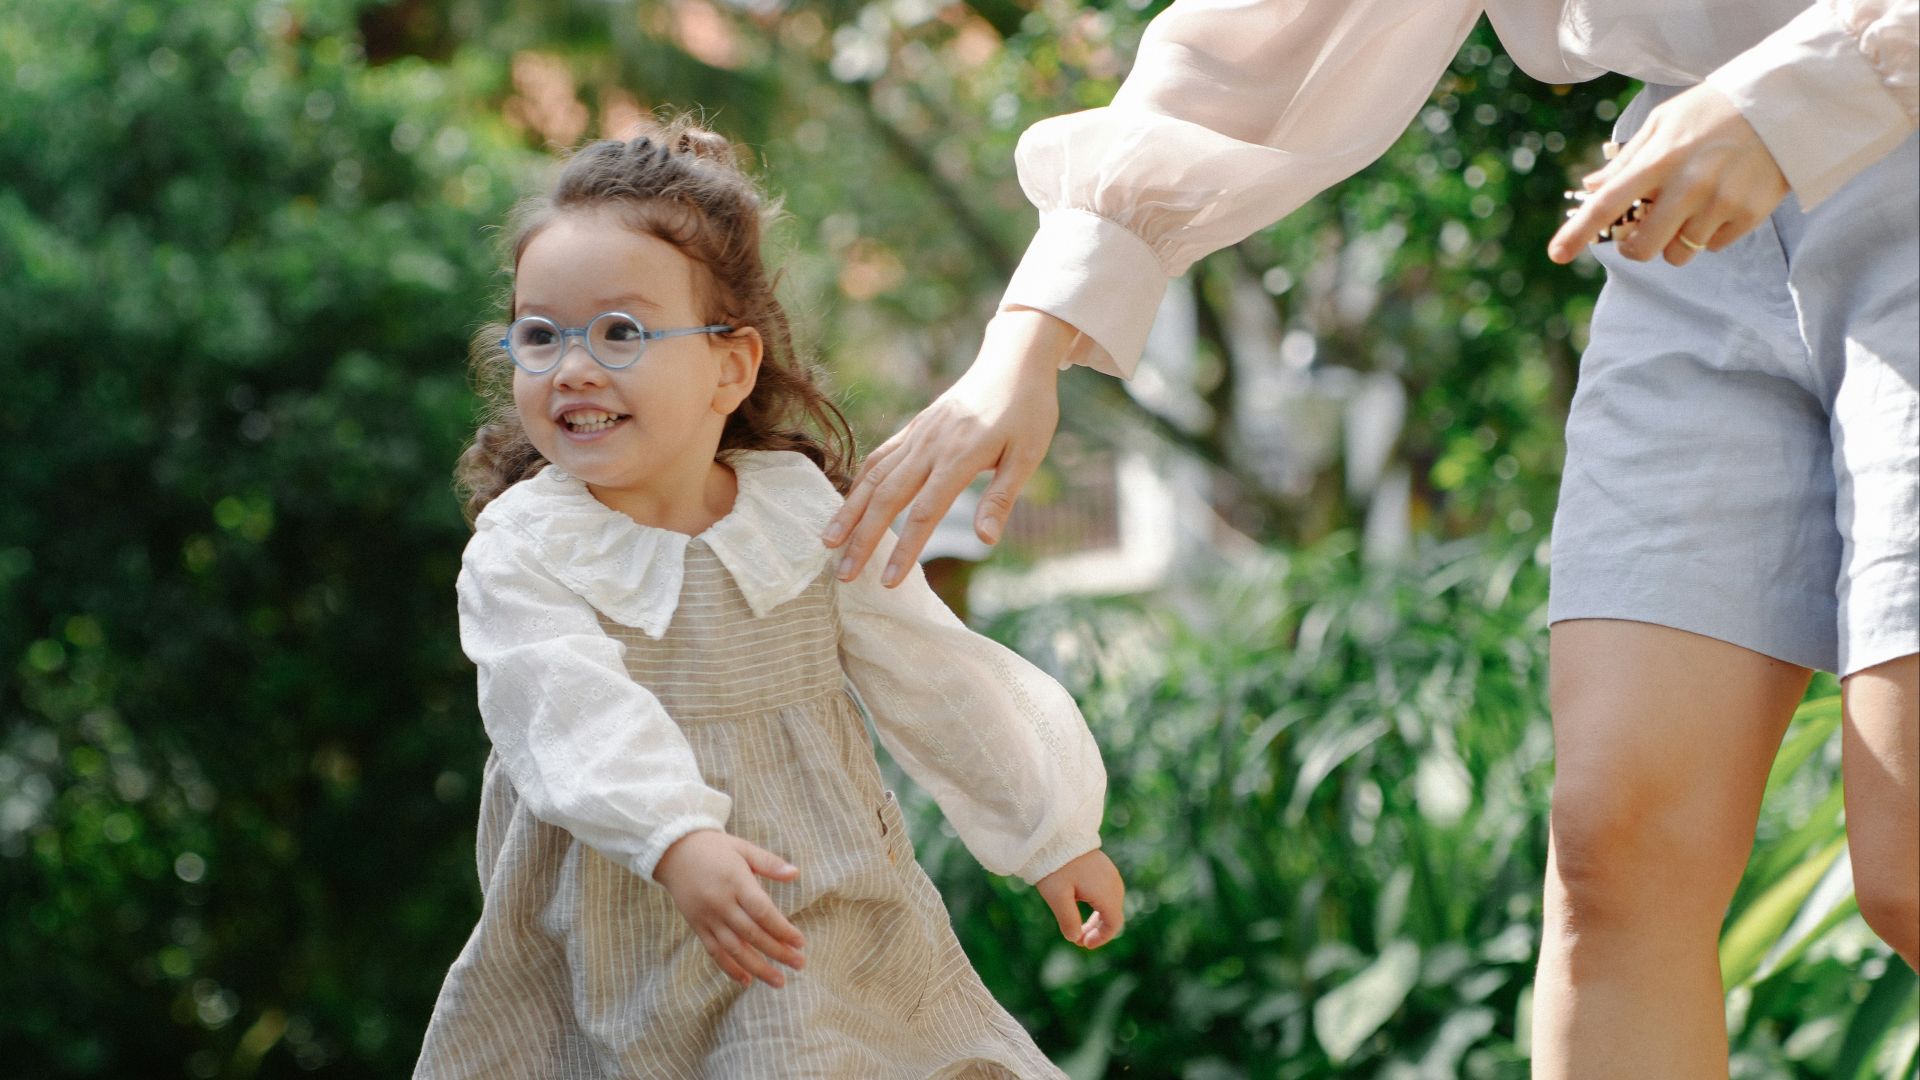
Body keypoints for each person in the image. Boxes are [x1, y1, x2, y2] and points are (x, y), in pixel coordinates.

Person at [822, 1, 1918, 1075]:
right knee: (1616, 853)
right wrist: (1029, 336)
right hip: (1685, 217)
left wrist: (1802, 91)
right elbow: (1263, 39)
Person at [414, 117, 1125, 1079]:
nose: (573, 365)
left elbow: (927, 665)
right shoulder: (524, 548)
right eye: (540, 336)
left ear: (730, 365)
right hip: (615, 918)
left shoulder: (798, 512)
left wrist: (1050, 832)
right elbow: (566, 707)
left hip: (812, 904)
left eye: (620, 332)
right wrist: (676, 836)